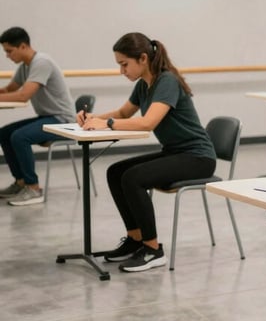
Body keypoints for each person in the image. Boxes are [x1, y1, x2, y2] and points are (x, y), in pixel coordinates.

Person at [81, 33, 216, 273]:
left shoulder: (167, 81)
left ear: (143, 58)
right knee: (116, 171)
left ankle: (152, 249)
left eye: (124, 64)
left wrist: (107, 124)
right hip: (175, 152)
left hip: (198, 157)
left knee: (133, 178)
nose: (121, 71)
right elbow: (124, 113)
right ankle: (135, 240)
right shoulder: (144, 84)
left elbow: (147, 123)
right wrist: (93, 118)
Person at [0, 27, 76, 206]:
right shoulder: (25, 67)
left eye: (9, 51)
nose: (7, 56)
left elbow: (23, 95)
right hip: (48, 117)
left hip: (63, 120)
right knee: (3, 134)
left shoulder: (41, 62)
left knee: (19, 137)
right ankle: (20, 183)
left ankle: (33, 188)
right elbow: (10, 90)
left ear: (23, 46)